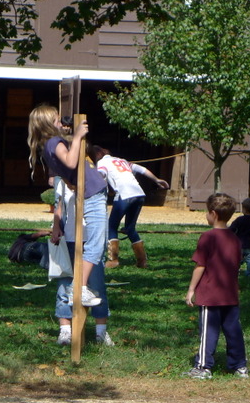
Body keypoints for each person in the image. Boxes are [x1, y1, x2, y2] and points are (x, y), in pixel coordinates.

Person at [27, 104, 106, 308]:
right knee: (97, 244)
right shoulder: (54, 142)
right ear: (48, 125)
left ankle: (79, 287)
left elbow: (66, 175)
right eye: (57, 120)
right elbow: (71, 162)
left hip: (90, 192)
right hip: (93, 194)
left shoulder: (49, 146)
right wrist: (78, 136)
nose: (62, 123)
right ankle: (79, 288)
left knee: (96, 242)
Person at [183, 193, 248, 379]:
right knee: (233, 330)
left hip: (210, 295)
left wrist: (191, 289)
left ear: (213, 214)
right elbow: (236, 265)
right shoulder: (235, 239)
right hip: (230, 294)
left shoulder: (208, 237)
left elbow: (200, 265)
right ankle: (240, 366)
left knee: (208, 331)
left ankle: (203, 367)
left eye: (207, 212)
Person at [52, 177, 114, 346]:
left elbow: (102, 211)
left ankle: (101, 332)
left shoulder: (96, 180)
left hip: (91, 241)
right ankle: (65, 330)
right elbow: (59, 206)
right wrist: (56, 227)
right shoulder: (61, 181)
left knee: (97, 286)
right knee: (64, 284)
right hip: (69, 240)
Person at [92, 145, 169, 268]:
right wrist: (156, 180)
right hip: (139, 194)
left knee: (111, 227)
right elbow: (142, 169)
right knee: (130, 228)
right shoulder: (122, 160)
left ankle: (113, 260)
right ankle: (142, 261)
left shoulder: (101, 163)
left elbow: (101, 175)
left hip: (124, 195)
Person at [229, 197, 250, 276]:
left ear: (244, 209)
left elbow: (231, 229)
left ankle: (234, 272)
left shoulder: (239, 220)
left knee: (237, 259)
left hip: (239, 244)